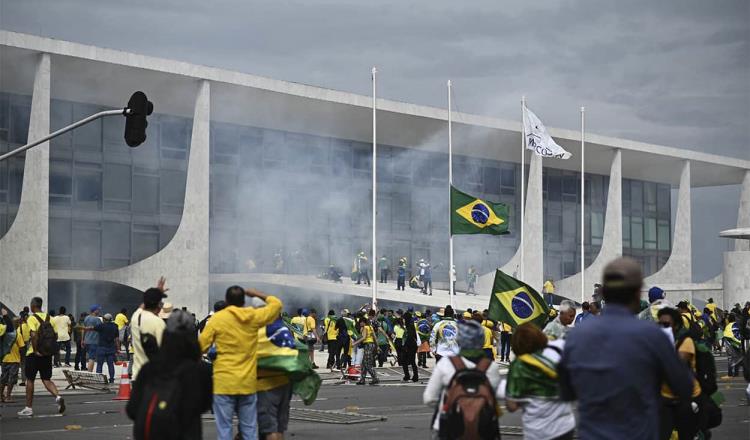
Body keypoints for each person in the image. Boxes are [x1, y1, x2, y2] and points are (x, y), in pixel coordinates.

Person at [558, 257, 693, 439]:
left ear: (603, 293)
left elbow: (565, 391)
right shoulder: (653, 336)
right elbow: (684, 386)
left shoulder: (577, 336)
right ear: (638, 294)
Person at [199, 286, 282, 440]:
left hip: (223, 382)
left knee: (224, 428)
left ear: (226, 301)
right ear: (244, 301)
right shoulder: (252, 316)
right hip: (247, 382)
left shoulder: (217, 319)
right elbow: (276, 304)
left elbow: (201, 346)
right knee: (249, 428)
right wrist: (256, 293)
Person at [127, 310, 212, 440]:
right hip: (187, 432)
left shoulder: (148, 369)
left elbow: (132, 409)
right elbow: (205, 405)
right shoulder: (202, 370)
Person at [423, 320, 502, 433]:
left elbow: (429, 398)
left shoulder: (446, 364)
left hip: (449, 426)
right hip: (482, 427)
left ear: (459, 339)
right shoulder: (491, 367)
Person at [505, 323, 576, 440]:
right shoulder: (557, 354)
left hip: (538, 431)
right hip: (565, 427)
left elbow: (511, 406)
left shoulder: (520, 365)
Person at [656, 307, 705, 440]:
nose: (662, 327)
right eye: (659, 324)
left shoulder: (685, 341)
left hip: (686, 397)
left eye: (666, 324)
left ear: (676, 325)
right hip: (666, 397)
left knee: (686, 435)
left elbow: (676, 366)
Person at [17, 297, 65, 417]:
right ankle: (58, 397)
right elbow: (56, 335)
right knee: (46, 379)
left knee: (30, 380)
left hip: (34, 354)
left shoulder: (32, 318)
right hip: (47, 354)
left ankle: (28, 408)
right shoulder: (50, 318)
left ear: (33, 306)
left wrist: (36, 350)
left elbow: (33, 335)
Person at [130, 278, 169, 382]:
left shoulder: (135, 317)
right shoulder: (158, 322)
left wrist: (155, 293)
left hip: (137, 376)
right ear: (158, 305)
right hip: (154, 378)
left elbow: (142, 306)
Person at [1, 310, 24, 403]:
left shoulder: (5, 334)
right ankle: (8, 397)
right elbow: (22, 347)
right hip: (14, 360)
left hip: (4, 359)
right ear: (18, 324)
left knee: (3, 378)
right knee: (12, 379)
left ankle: (0, 396)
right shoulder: (17, 335)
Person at [352, 317, 379, 385]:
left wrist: (355, 343)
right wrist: (377, 346)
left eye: (361, 322)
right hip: (371, 345)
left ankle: (375, 378)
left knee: (367, 363)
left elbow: (363, 337)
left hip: (368, 345)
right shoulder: (370, 327)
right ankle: (362, 379)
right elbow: (375, 337)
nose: (360, 323)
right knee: (363, 363)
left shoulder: (365, 328)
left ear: (363, 322)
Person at [94, 313, 120, 383]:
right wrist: (118, 349)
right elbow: (117, 339)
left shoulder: (101, 326)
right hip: (111, 348)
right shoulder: (115, 326)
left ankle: (99, 379)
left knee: (99, 364)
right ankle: (111, 379)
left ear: (104, 319)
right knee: (110, 365)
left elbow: (92, 328)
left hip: (101, 347)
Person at [723, 313, 743, 378]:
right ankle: (736, 373)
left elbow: (731, 335)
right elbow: (738, 335)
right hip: (735, 343)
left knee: (730, 358)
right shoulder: (735, 324)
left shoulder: (729, 325)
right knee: (737, 358)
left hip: (730, 343)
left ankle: (730, 373)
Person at [83, 305, 102, 372]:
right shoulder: (97, 319)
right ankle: (89, 373)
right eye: (98, 310)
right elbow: (101, 329)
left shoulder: (86, 318)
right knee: (92, 358)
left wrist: (83, 340)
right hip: (94, 341)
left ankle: (89, 371)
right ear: (95, 311)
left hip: (87, 340)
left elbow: (84, 330)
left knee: (90, 357)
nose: (99, 311)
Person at [401, 312, 419, 382]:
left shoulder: (410, 325)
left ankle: (414, 376)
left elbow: (410, 336)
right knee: (407, 361)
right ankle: (408, 375)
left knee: (411, 361)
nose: (403, 320)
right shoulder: (410, 325)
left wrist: (405, 346)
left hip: (410, 346)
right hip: (411, 345)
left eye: (404, 318)